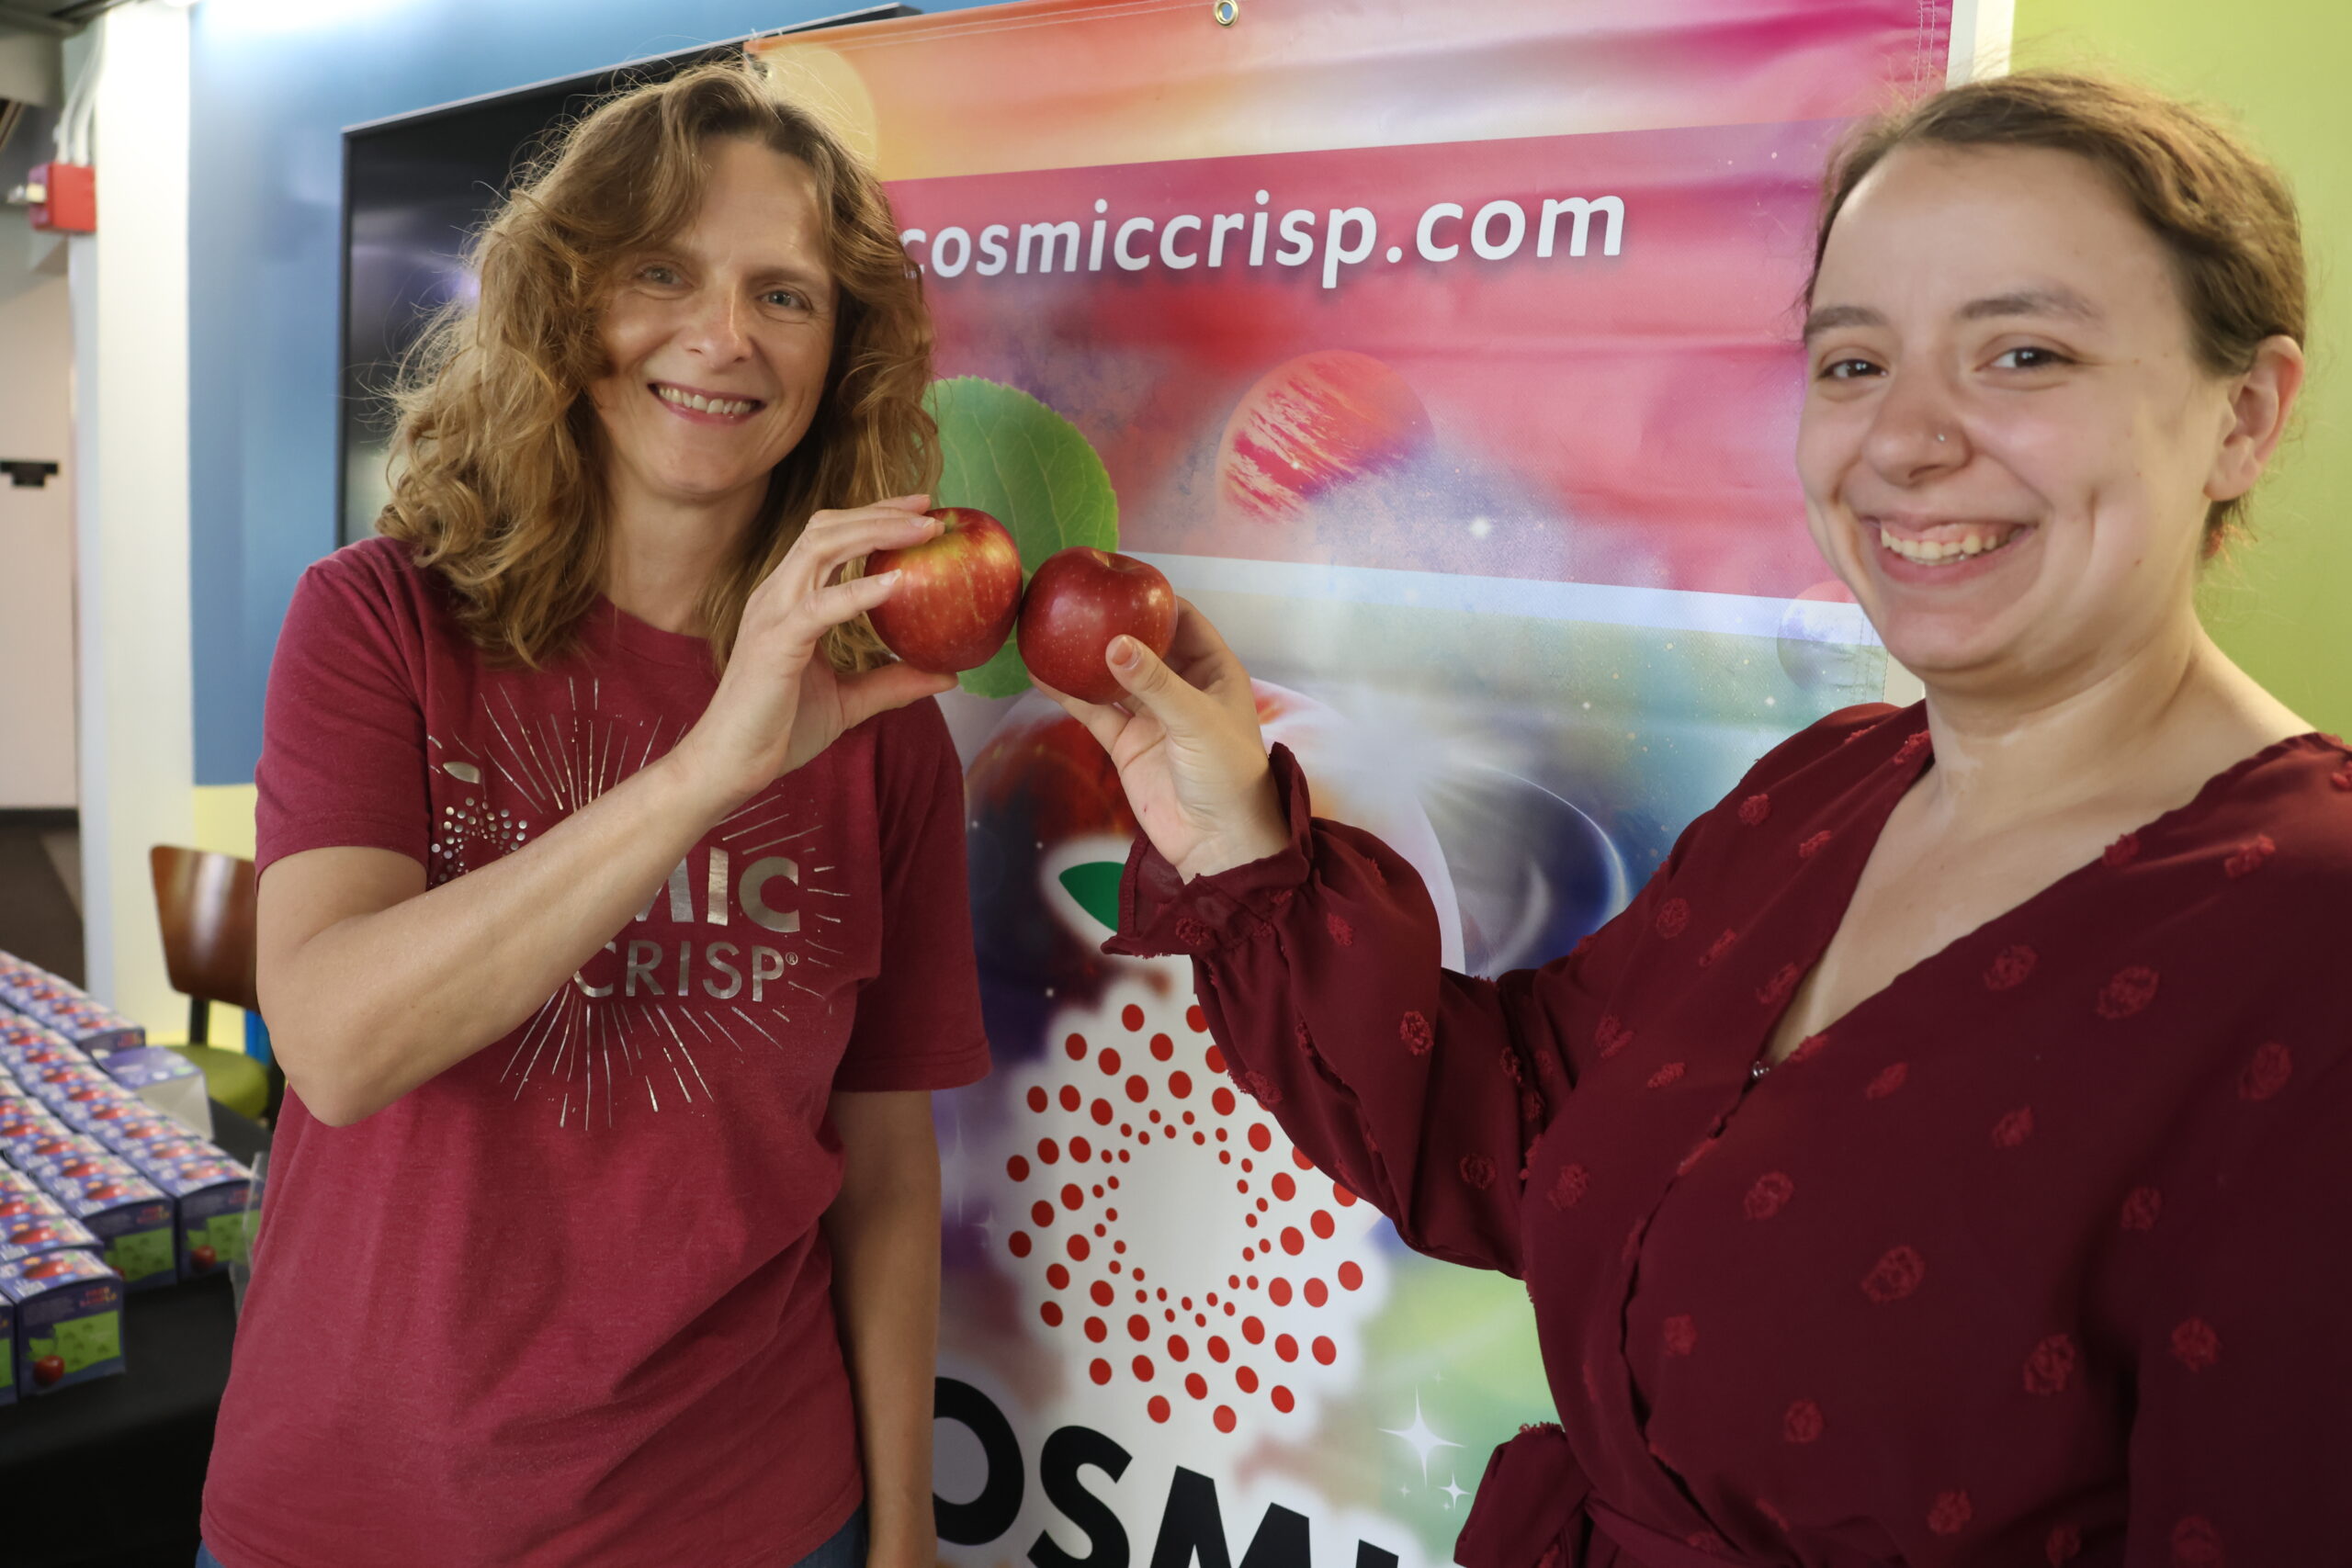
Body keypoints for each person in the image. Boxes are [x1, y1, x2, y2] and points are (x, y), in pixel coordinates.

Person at [1054, 73, 2348, 1566]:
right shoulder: (1831, 787)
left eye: (2024, 353)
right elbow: (1523, 1132)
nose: (1907, 442)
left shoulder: (2312, 941)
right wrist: (1239, 843)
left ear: (2244, 416)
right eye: (1853, 364)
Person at [198, 64, 988, 1568]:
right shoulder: (380, 624)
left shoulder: (885, 730)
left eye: (788, 296)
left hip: (750, 1515)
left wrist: (905, 1537)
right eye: (662, 272)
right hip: (357, 1511)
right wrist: (709, 768)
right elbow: (339, 1043)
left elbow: (884, 1174)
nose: (722, 336)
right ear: (571, 305)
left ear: (842, 354)